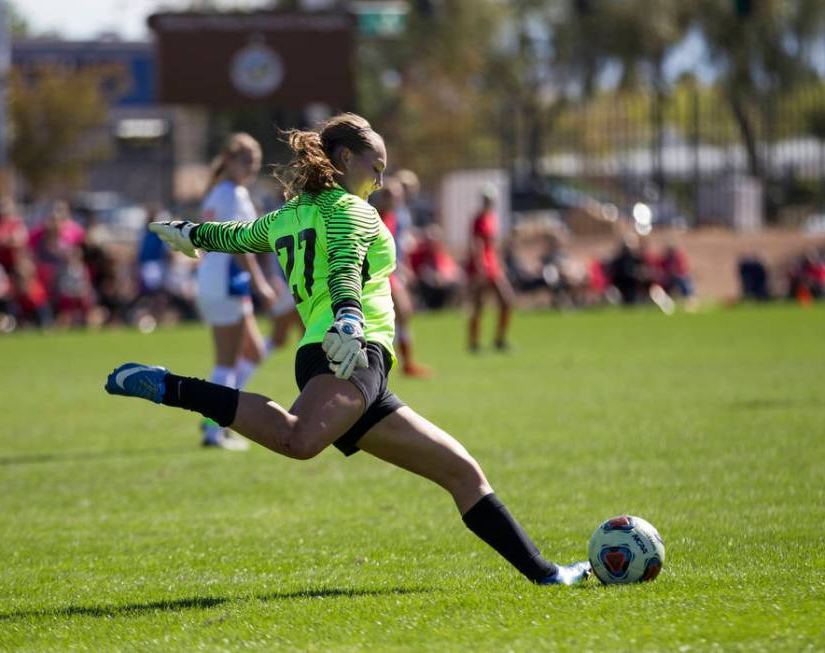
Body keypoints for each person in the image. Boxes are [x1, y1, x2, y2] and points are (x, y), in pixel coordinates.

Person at [104, 112, 590, 586]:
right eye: (375, 168)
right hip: (351, 351)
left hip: (342, 359)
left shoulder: (290, 214)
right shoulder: (353, 211)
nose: (379, 181)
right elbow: (342, 266)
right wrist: (349, 317)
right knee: (298, 439)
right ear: (343, 157)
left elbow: (239, 237)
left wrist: (190, 234)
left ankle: (547, 575)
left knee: (462, 472)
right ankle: (172, 388)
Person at [195, 133, 278, 450]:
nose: (251, 168)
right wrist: (260, 283)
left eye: (255, 163)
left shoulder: (220, 192)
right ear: (228, 160)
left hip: (219, 281)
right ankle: (214, 429)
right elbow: (239, 244)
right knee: (226, 362)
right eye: (245, 161)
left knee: (254, 352)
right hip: (225, 282)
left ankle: (218, 416)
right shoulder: (232, 194)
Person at [371, 183, 431, 377]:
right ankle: (392, 362)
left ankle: (404, 363)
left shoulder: (393, 217)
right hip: (375, 274)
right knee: (399, 313)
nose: (397, 201)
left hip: (390, 272)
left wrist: (402, 267)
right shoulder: (373, 216)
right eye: (393, 197)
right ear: (382, 198)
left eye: (398, 197)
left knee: (404, 313)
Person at [466, 184, 515, 352]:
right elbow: (476, 242)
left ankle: (500, 339)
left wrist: (498, 262)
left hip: (492, 265)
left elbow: (491, 245)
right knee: (479, 304)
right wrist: (480, 264)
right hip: (483, 265)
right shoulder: (479, 219)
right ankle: (473, 342)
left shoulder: (491, 217)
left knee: (506, 300)